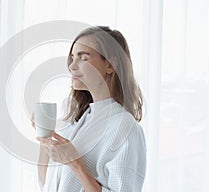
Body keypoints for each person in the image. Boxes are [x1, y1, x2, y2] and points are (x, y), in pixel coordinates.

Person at [34, 26, 146, 192]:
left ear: (110, 65)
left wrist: (75, 163)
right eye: (72, 58)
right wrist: (45, 137)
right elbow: (47, 185)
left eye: (83, 58)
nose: (72, 66)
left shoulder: (125, 128)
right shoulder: (76, 123)